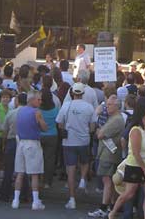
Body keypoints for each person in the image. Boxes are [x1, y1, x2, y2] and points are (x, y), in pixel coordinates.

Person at [108, 101, 145, 219]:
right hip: (135, 165)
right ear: (143, 113)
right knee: (129, 193)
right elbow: (135, 152)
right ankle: (113, 212)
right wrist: (144, 170)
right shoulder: (135, 130)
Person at [56, 82, 97, 210]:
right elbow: (92, 126)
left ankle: (72, 199)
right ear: (83, 93)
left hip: (69, 141)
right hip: (84, 140)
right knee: (85, 162)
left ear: (72, 93)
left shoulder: (66, 105)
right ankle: (83, 179)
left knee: (71, 170)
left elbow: (59, 123)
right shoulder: (89, 107)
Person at [88, 95, 125, 218]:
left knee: (107, 180)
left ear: (117, 106)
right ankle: (112, 206)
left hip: (109, 154)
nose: (106, 107)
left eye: (109, 105)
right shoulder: (114, 118)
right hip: (108, 152)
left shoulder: (116, 120)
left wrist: (100, 131)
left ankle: (104, 207)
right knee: (110, 180)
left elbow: (100, 134)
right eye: (106, 104)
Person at [11, 90, 48, 210]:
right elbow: (44, 128)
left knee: (20, 173)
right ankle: (35, 201)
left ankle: (15, 200)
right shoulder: (36, 112)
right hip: (32, 143)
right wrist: (41, 120)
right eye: (38, 99)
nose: (40, 101)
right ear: (32, 100)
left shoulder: (20, 111)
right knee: (34, 174)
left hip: (21, 143)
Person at [39, 86, 59, 189]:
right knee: (50, 160)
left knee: (39, 158)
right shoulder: (55, 109)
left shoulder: (38, 110)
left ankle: (39, 179)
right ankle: (47, 182)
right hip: (52, 135)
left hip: (39, 135)